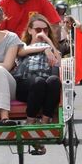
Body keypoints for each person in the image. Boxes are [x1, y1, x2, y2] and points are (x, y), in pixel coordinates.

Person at [14, 14, 63, 155]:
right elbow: (21, 52)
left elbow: (59, 61)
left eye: (45, 30)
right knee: (38, 81)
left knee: (54, 80)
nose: (41, 32)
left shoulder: (52, 47)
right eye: (38, 29)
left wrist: (48, 42)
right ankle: (30, 122)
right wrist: (44, 48)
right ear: (30, 30)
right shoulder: (22, 45)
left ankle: (45, 122)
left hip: (46, 89)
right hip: (25, 86)